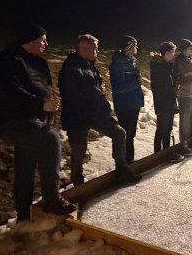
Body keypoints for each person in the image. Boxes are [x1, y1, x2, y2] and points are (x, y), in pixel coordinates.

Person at [0, 23, 76, 220]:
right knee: (50, 139)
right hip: (12, 121)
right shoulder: (6, 61)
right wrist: (41, 105)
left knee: (25, 164)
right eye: (42, 40)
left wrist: (50, 103)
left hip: (34, 120)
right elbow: (11, 92)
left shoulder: (38, 63)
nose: (46, 44)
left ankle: (23, 213)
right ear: (29, 41)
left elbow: (42, 88)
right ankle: (52, 198)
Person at [57, 34, 140, 186]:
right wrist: (96, 90)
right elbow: (76, 93)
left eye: (96, 48)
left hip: (96, 113)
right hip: (77, 116)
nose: (96, 51)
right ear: (83, 49)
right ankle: (78, 184)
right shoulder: (71, 68)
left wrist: (98, 91)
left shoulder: (89, 65)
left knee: (119, 133)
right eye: (93, 48)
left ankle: (121, 169)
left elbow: (93, 88)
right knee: (79, 150)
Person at [109, 35, 144, 164]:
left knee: (131, 134)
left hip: (133, 103)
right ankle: (123, 164)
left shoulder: (130, 61)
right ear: (128, 47)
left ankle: (130, 160)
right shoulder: (118, 64)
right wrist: (136, 83)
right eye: (135, 45)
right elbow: (118, 87)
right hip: (125, 105)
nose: (137, 48)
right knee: (126, 135)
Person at [150, 41, 184, 161]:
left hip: (170, 101)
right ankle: (158, 155)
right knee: (161, 129)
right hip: (164, 103)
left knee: (167, 129)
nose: (174, 54)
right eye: (173, 52)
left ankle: (166, 151)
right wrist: (164, 100)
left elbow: (169, 83)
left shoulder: (167, 65)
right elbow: (157, 87)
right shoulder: (158, 67)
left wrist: (175, 87)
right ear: (167, 52)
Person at [172, 39, 192, 153]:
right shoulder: (178, 61)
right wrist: (191, 77)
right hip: (185, 95)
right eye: (190, 48)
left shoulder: (190, 59)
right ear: (184, 49)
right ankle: (184, 144)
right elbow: (180, 78)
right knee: (185, 121)